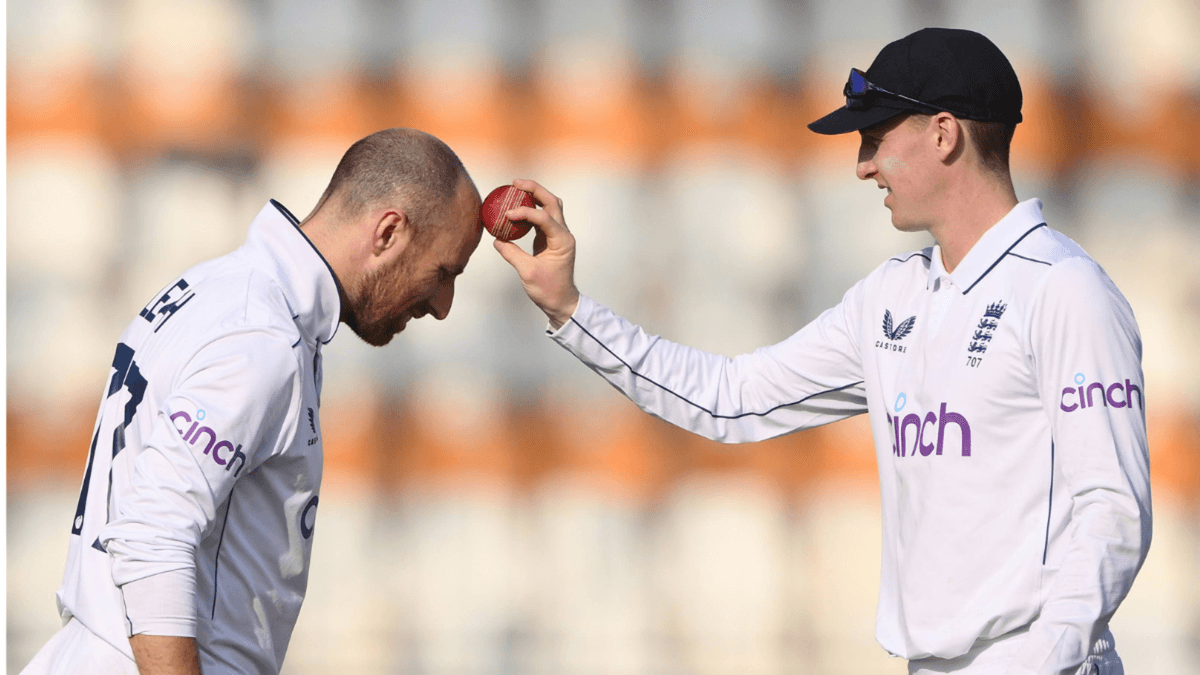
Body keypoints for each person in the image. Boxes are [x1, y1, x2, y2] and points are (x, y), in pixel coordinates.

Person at [495, 28, 1150, 675]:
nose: (863, 165)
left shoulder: (1064, 288)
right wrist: (571, 309)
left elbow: (1114, 508)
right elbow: (732, 399)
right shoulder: (892, 295)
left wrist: (1045, 658)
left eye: (875, 139)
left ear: (944, 134)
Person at [22, 128, 484, 674]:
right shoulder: (259, 337)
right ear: (388, 232)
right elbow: (151, 535)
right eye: (443, 273)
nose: (443, 304)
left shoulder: (224, 290)